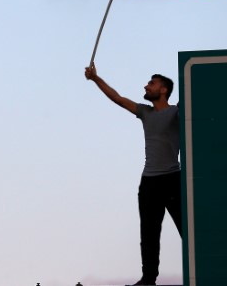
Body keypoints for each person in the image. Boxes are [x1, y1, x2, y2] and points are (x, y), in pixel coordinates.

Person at [84, 64, 182, 286]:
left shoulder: (177, 112)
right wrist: (96, 78)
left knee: (187, 228)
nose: (146, 86)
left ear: (164, 90)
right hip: (149, 182)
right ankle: (148, 279)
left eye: (152, 83)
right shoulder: (144, 112)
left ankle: (204, 268)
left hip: (173, 179)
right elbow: (117, 98)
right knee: (148, 233)